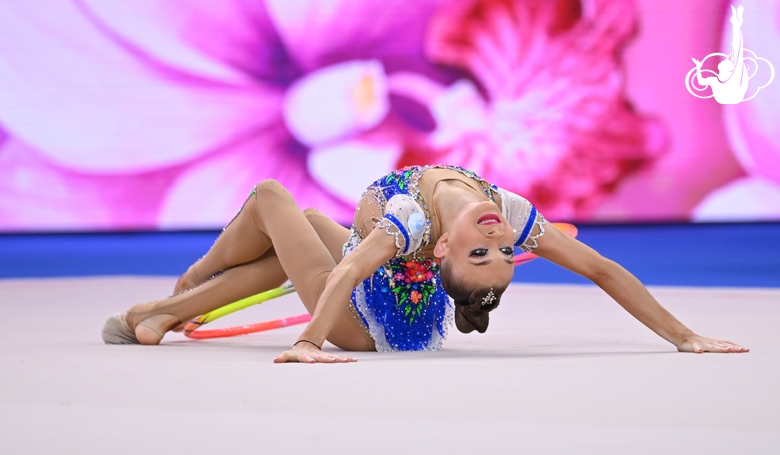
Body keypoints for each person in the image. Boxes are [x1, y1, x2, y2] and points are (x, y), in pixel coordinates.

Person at [102, 165, 748, 362]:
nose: (498, 241)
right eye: (502, 254)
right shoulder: (511, 212)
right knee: (308, 228)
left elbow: (348, 275)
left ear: (440, 250)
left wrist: (308, 343)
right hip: (387, 304)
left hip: (362, 321)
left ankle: (184, 287)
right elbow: (602, 267)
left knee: (272, 197)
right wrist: (684, 335)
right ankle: (160, 316)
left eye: (479, 254)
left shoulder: (409, 222)